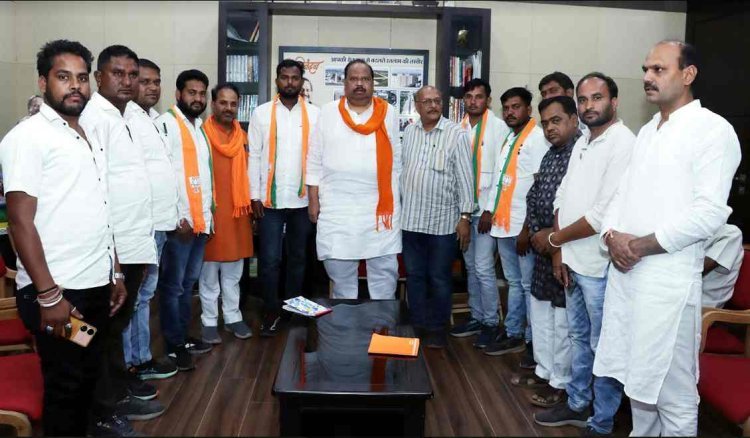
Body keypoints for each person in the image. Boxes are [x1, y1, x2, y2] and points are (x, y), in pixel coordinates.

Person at [595, 40, 741, 436]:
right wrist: (611, 236)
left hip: (668, 288)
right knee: (639, 386)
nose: (647, 76)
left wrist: (639, 245)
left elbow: (709, 214)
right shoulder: (648, 131)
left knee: (675, 400)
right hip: (629, 280)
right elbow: (620, 195)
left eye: (658, 69)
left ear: (688, 74)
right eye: (646, 69)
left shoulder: (713, 130)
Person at [0, 39, 125, 436]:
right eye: (64, 77)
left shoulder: (88, 133)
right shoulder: (28, 137)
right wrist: (49, 296)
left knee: (86, 377)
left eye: (82, 78)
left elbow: (99, 209)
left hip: (93, 288)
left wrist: (115, 272)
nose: (75, 86)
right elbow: (19, 222)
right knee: (65, 388)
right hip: (57, 296)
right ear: (43, 82)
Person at [532, 73, 635, 434]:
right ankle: (577, 403)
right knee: (578, 337)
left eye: (597, 98)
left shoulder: (624, 143)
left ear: (614, 101)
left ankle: (603, 421)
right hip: (573, 260)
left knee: (603, 345)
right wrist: (560, 251)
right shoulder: (583, 142)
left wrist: (555, 240)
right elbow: (562, 196)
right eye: (583, 99)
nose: (589, 105)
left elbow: (600, 215)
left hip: (601, 266)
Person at [79, 45, 164, 425]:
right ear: (99, 77)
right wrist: (114, 259)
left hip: (133, 241)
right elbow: (95, 189)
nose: (127, 81)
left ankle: (117, 390)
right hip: (111, 249)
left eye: (132, 75)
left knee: (116, 326)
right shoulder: (93, 118)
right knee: (101, 330)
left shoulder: (126, 114)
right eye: (118, 73)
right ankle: (105, 408)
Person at [306, 59, 402, 300]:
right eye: (354, 79)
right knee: (340, 275)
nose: (360, 84)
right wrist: (313, 201)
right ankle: (344, 321)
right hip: (338, 209)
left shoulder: (388, 113)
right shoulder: (328, 112)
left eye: (365, 79)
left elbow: (397, 160)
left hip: (379, 210)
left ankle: (382, 321)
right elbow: (314, 158)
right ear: (345, 83)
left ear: (373, 83)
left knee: (384, 276)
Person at [249, 59, 319, 336]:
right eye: (284, 77)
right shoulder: (261, 113)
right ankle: (271, 311)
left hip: (302, 202)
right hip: (270, 202)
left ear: (302, 82)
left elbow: (318, 159)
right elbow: (254, 156)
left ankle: (293, 308)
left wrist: (316, 198)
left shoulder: (315, 115)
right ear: (277, 80)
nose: (290, 82)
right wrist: (254, 196)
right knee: (269, 260)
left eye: (295, 77)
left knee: (299, 259)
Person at [401, 85, 473, 348]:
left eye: (437, 101)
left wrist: (465, 217)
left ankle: (437, 329)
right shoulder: (410, 132)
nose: (433, 105)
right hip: (410, 221)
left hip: (442, 223)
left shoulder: (456, 134)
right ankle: (417, 324)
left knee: (439, 278)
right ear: (417, 106)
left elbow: (466, 178)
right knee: (414, 276)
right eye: (427, 101)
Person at [519, 95, 579, 409]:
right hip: (542, 247)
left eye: (556, 121)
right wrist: (533, 231)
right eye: (545, 123)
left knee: (562, 321)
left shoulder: (580, 153)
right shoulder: (550, 154)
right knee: (541, 313)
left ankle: (562, 383)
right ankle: (545, 371)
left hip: (566, 250)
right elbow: (534, 195)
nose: (550, 128)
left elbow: (575, 206)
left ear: (574, 119)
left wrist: (552, 238)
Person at [122, 58, 180, 381]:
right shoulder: (125, 119)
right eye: (144, 81)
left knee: (144, 295)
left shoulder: (155, 119)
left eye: (156, 82)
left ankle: (142, 357)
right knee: (133, 297)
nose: (152, 87)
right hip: (141, 226)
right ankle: (131, 365)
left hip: (160, 223)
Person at [481, 87, 547, 365]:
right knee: (514, 283)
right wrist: (488, 210)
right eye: (506, 108)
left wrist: (527, 229)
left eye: (516, 107)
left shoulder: (537, 138)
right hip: (503, 225)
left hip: (522, 229)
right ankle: (513, 332)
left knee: (528, 285)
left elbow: (540, 187)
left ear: (529, 110)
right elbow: (501, 181)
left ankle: (532, 342)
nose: (510, 112)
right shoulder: (510, 138)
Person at [156, 69, 215, 371]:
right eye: (192, 92)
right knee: (173, 286)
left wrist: (207, 217)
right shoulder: (165, 125)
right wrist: (178, 217)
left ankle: (182, 337)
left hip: (200, 222)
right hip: (180, 224)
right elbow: (163, 175)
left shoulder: (199, 127)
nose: (198, 98)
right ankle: (173, 344)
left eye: (202, 93)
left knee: (188, 284)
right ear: (178, 94)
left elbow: (203, 176)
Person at [450, 78, 510, 349]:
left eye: (479, 96)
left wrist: (490, 209)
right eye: (469, 96)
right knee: (471, 267)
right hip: (463, 211)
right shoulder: (458, 129)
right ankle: (476, 316)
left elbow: (501, 172)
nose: (473, 101)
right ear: (463, 100)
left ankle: (491, 323)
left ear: (488, 100)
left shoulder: (499, 128)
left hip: (486, 212)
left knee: (484, 268)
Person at [199, 83, 253, 343]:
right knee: (209, 272)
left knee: (233, 272)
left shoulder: (243, 137)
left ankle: (233, 316)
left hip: (238, 212)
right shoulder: (201, 134)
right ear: (213, 104)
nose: (228, 108)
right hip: (210, 211)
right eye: (223, 102)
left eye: (233, 103)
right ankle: (209, 320)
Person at [702, 224, 743, 308]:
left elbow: (699, 271)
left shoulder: (730, 232)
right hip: (681, 296)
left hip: (701, 304)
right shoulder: (690, 231)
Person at [539, 71, 589, 137]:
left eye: (553, 91)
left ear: (569, 93)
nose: (547, 97)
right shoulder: (542, 126)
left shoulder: (588, 116)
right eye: (544, 94)